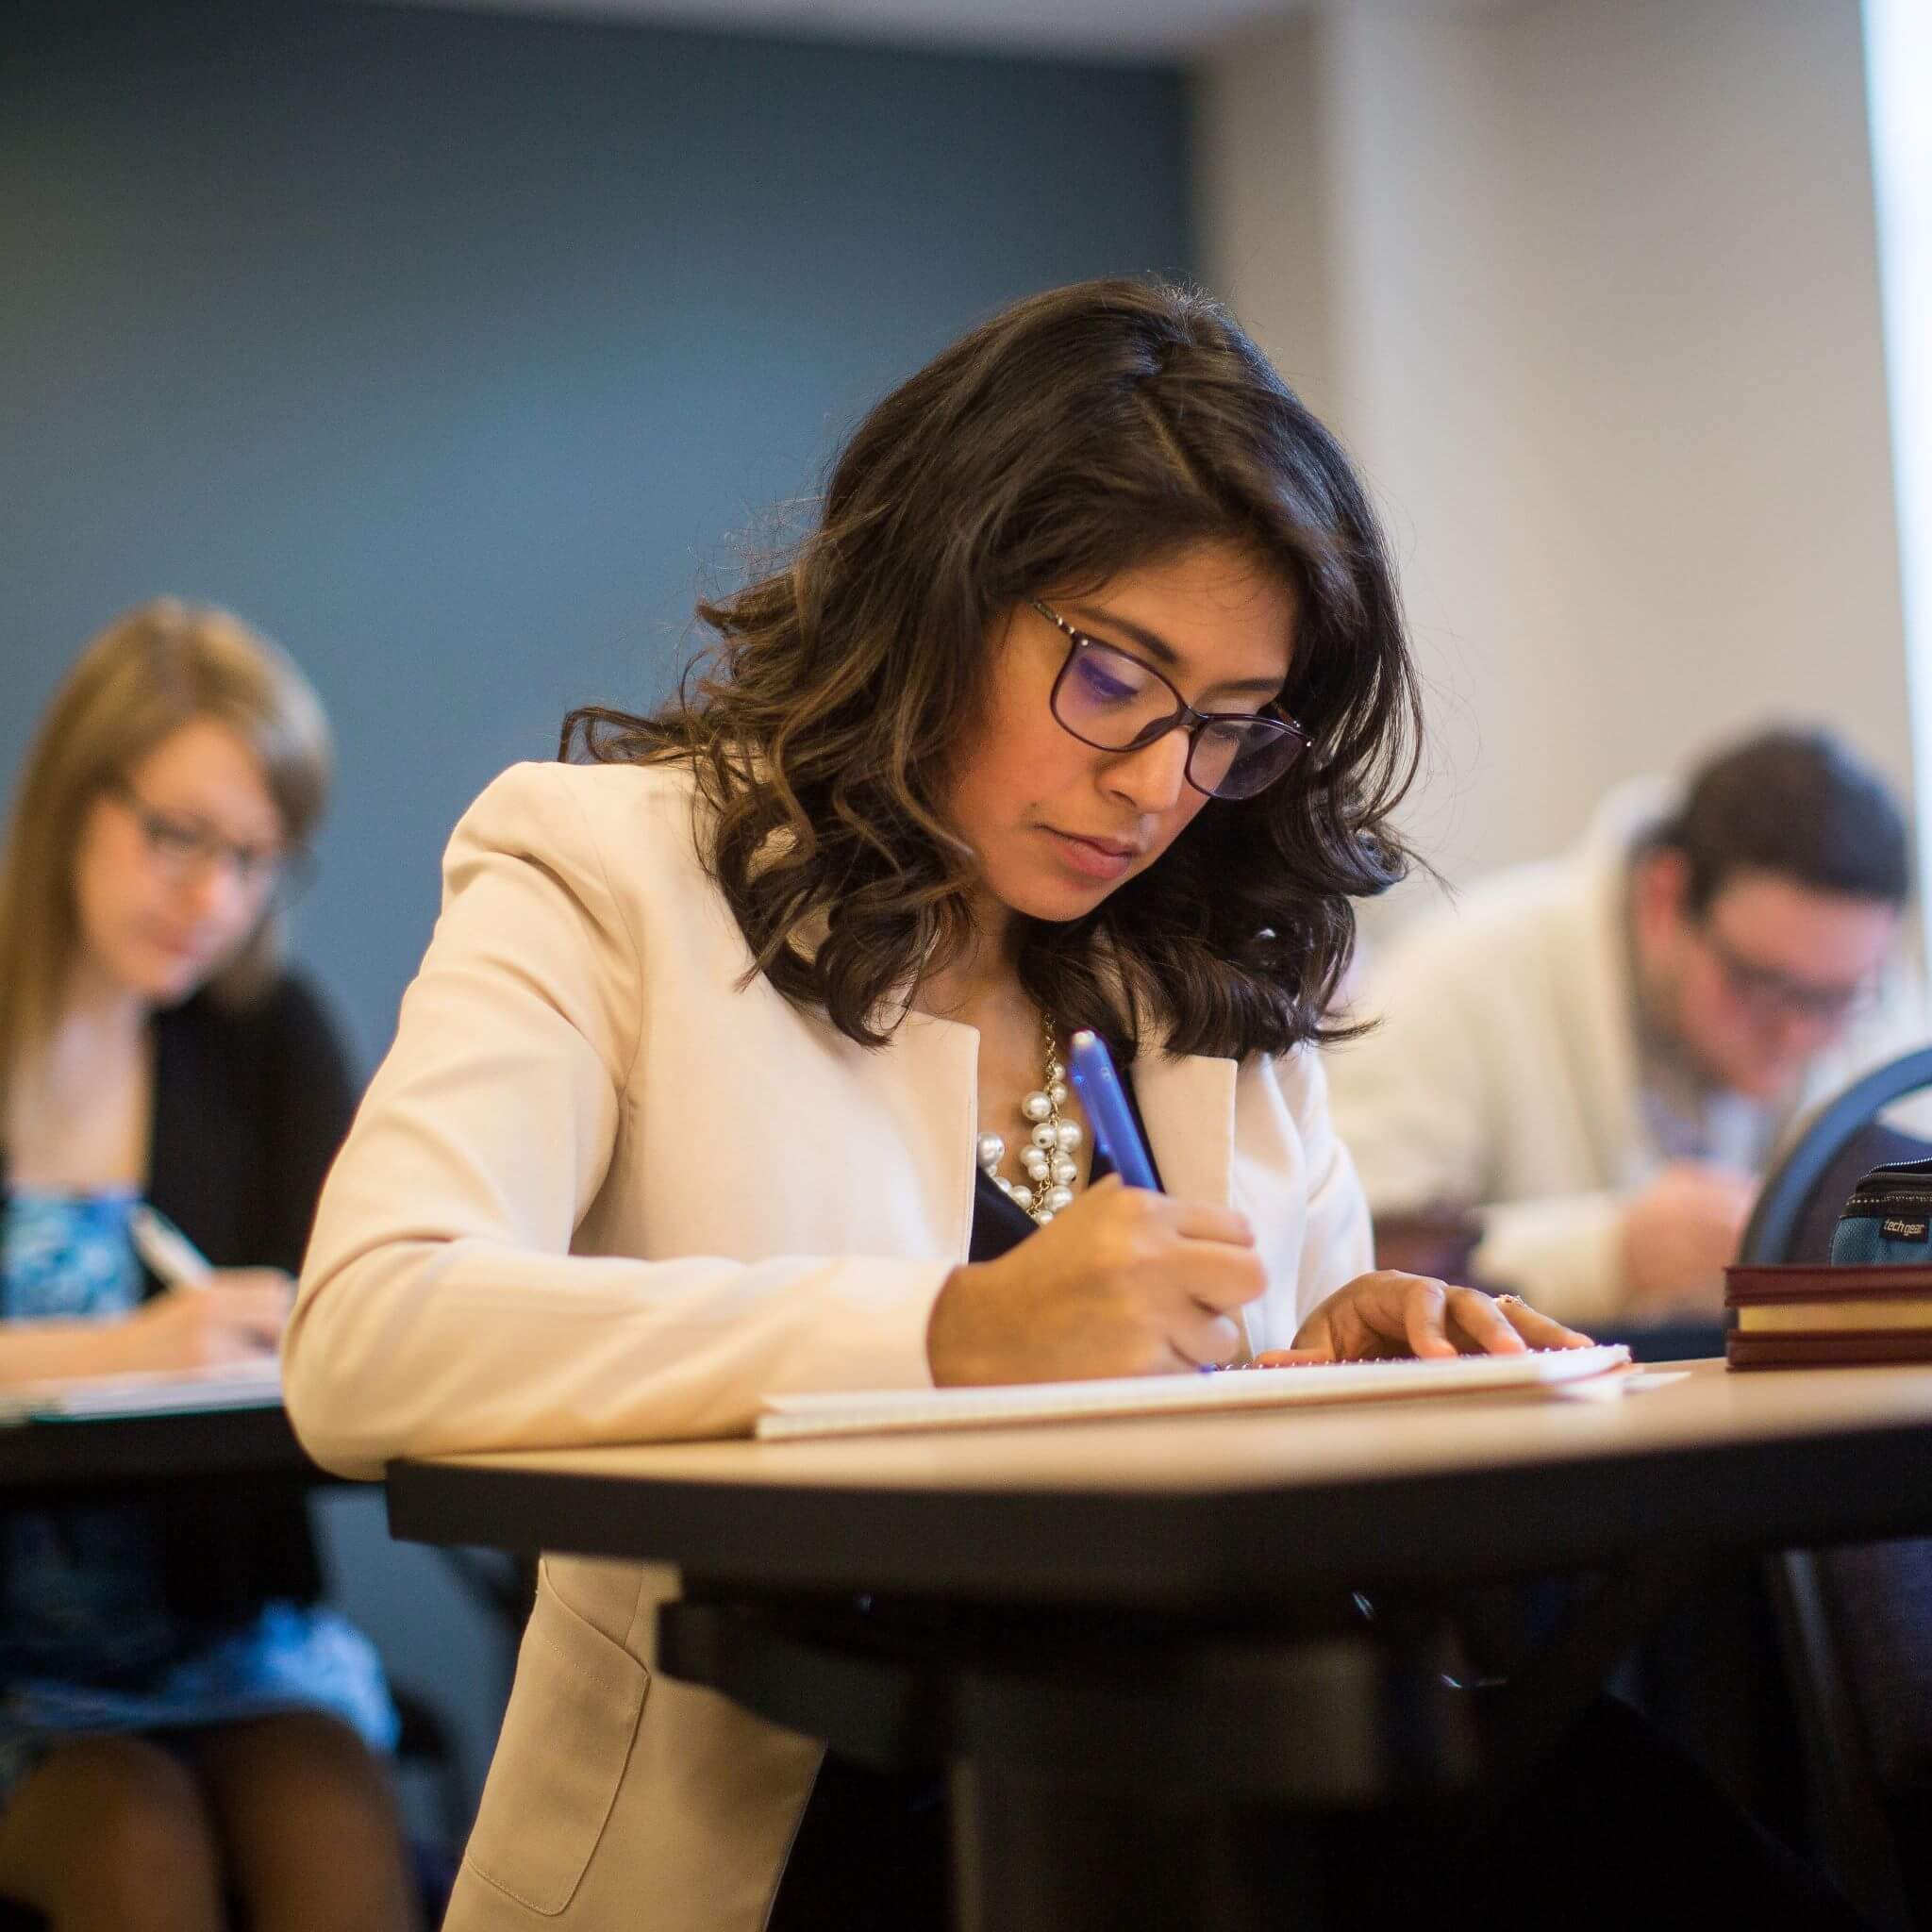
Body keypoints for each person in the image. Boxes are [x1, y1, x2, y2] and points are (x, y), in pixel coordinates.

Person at [283, 280, 1853, 1932]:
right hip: (803, 1809)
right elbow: (366, 1337)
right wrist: (952, 1330)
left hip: (1210, 1758)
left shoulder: (1198, 970)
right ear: (933, 590)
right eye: (1113, 679)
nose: (1159, 784)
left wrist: (1324, 1360)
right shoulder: (605, 875)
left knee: (1615, 1816)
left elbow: (1237, 1423)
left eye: (1229, 728)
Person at [0, 602, 419, 1930]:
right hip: (18, 1683)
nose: (212, 900)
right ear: (74, 793)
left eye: (255, 859)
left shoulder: (267, 1037)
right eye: (176, 836)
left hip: (238, 1641)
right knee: (134, 1839)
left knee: (336, 1821)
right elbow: (155, 1346)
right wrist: (124, 1351)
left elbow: (362, 1307)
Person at [1327, 731, 1924, 1325]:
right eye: (1762, 986)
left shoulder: (1869, 996)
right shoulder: (1456, 975)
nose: (1797, 1037)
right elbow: (1344, 1263)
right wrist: (1609, 1257)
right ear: (1665, 898)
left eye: (1836, 1000)